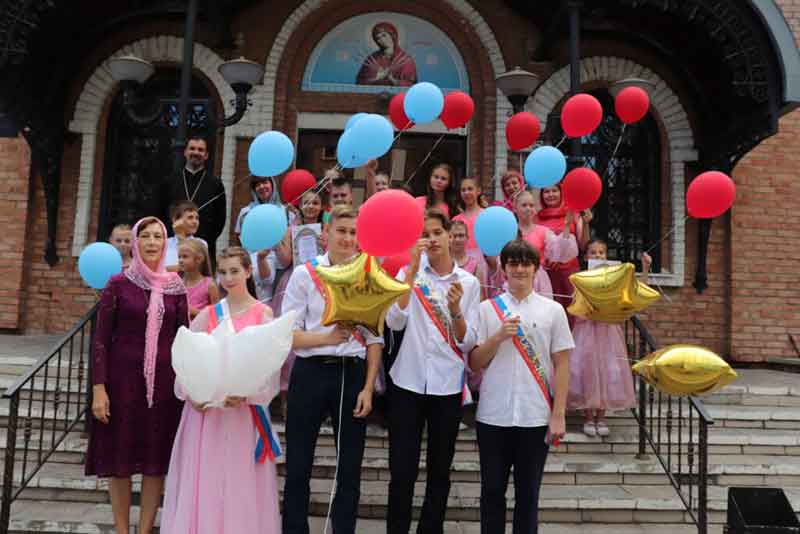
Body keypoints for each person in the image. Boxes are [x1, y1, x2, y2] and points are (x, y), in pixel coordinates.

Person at [161, 247, 282, 534]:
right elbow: (188, 361)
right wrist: (194, 394)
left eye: (235, 271)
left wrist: (248, 392)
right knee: (208, 480)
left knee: (239, 483)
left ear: (248, 271)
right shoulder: (208, 315)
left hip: (242, 415)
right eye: (223, 272)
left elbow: (270, 369)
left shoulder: (263, 313)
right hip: (209, 419)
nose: (228, 278)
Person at [281, 205, 383, 534]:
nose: (348, 238)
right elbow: (288, 335)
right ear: (326, 234)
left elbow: (374, 339)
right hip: (310, 371)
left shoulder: (366, 276)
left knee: (349, 467)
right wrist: (325, 336)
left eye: (354, 233)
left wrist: (368, 387)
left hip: (351, 375)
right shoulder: (304, 274)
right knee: (298, 463)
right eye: (342, 231)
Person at [86, 216, 188, 534]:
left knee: (155, 461)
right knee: (119, 460)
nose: (153, 242)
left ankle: (144, 530)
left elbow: (183, 338)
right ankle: (121, 529)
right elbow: (101, 339)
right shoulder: (118, 284)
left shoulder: (176, 287)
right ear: (135, 242)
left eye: (159, 236)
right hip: (120, 383)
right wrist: (99, 389)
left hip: (163, 385)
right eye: (146, 236)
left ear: (165, 243)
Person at [385, 208, 481, 534]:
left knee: (440, 469)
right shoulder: (405, 275)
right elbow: (393, 322)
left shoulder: (468, 283)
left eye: (437, 233)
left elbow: (468, 342)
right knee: (402, 469)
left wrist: (455, 311)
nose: (432, 240)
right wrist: (411, 272)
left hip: (446, 386)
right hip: (406, 382)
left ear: (449, 236)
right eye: (425, 235)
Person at [469, 239, 574, 534]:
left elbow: (563, 363)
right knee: (491, 492)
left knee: (528, 497)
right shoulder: (488, 310)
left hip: (535, 415)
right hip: (493, 416)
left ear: (535, 269)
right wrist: (497, 337)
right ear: (503, 269)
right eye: (513, 263)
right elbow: (475, 362)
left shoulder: (553, 311)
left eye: (525, 263)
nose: (519, 269)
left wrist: (559, 414)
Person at [568, 240, 651, 437]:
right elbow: (575, 305)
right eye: (593, 253)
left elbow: (635, 293)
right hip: (587, 330)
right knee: (587, 370)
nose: (597, 256)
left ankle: (601, 417)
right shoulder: (580, 278)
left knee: (607, 370)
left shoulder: (616, 278)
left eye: (601, 253)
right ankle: (588, 416)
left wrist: (645, 267)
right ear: (586, 257)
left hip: (608, 332)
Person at [162, 136, 226, 262]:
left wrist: (201, 240)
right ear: (185, 152)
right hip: (172, 246)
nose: (196, 152)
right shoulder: (170, 181)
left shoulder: (215, 184)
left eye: (200, 150)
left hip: (201, 249)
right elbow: (160, 212)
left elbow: (220, 220)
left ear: (206, 155)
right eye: (192, 149)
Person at [536, 184, 592, 323]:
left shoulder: (573, 214)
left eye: (554, 190)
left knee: (571, 312)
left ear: (561, 193)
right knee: (548, 313)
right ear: (542, 196)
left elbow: (584, 244)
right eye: (546, 191)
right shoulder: (536, 218)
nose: (550, 194)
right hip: (547, 273)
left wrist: (586, 224)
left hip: (569, 273)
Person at [356, 21, 417, 87]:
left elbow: (411, 85)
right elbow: (360, 82)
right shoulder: (372, 59)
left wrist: (392, 80)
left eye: (384, 35)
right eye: (378, 38)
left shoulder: (405, 60)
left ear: (392, 35)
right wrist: (376, 78)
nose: (382, 40)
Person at [178, 239, 219, 319]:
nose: (180, 260)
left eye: (185, 256)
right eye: (179, 257)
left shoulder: (210, 285)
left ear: (199, 259)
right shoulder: (178, 283)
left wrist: (193, 311)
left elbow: (218, 316)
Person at [450, 220, 487, 300]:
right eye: (454, 236)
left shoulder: (475, 265)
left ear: (467, 238)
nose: (457, 239)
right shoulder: (442, 263)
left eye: (461, 235)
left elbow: (480, 297)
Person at [165, 201, 207, 271]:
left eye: (197, 218)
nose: (195, 222)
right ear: (175, 220)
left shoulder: (201, 243)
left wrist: (180, 236)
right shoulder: (164, 243)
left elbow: (193, 268)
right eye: (190, 217)